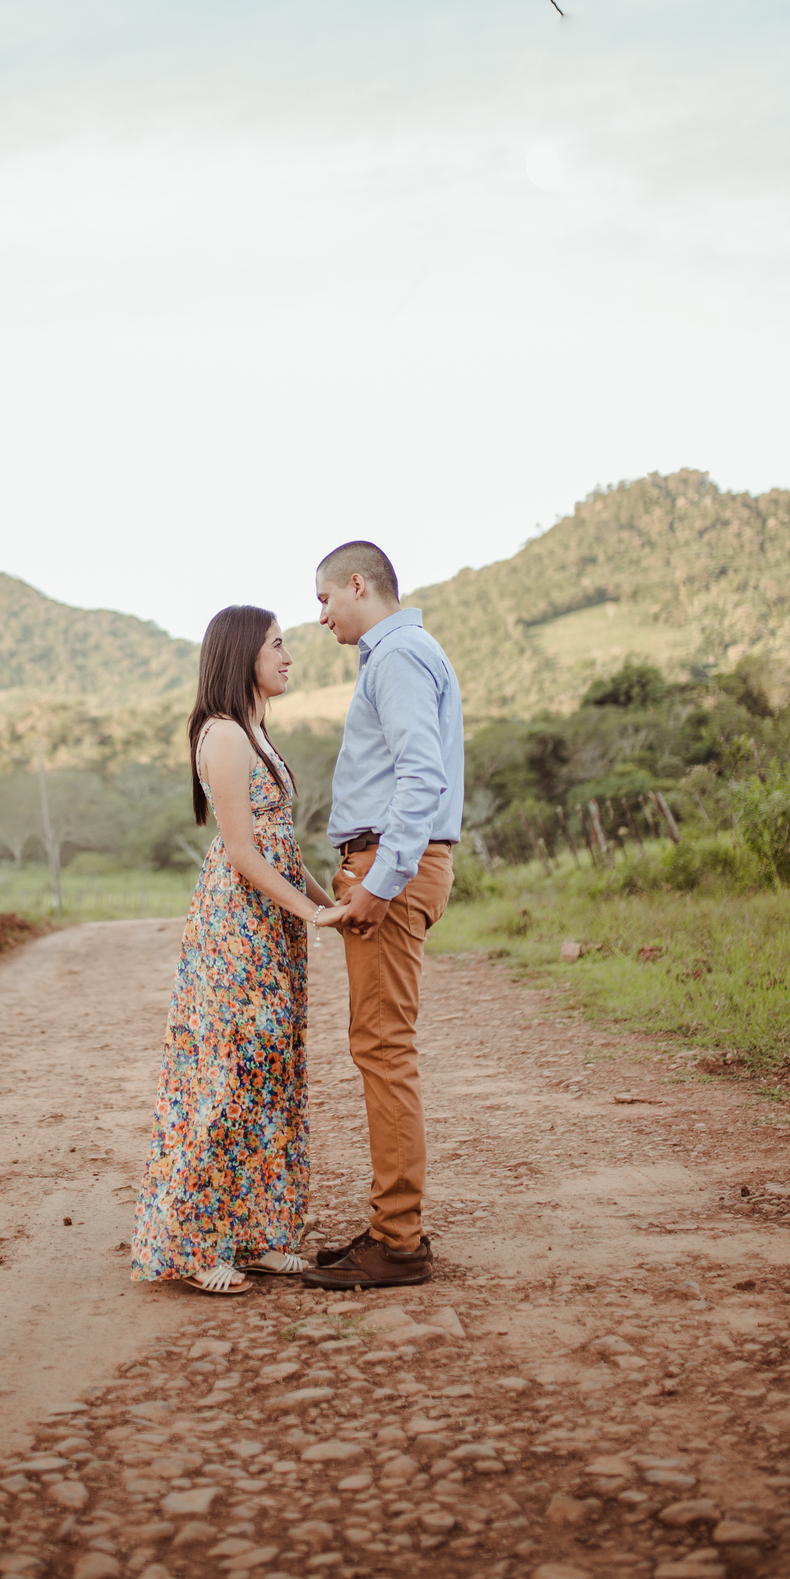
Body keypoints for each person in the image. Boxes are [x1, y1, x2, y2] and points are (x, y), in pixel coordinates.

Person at [131, 605, 348, 1296]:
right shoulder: (223, 736)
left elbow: (282, 845)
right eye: (278, 645)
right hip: (238, 927)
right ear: (242, 656)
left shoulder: (256, 729)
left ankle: (254, 1235)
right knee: (231, 1075)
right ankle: (193, 1244)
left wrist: (326, 902)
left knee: (267, 1077)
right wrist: (311, 910)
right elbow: (243, 853)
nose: (289, 656)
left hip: (271, 923)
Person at [301, 541, 464, 1291]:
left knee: (383, 1050)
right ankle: (388, 1227)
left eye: (325, 599)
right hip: (389, 864)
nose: (321, 616)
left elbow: (421, 772)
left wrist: (381, 880)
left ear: (357, 585)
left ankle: (398, 1242)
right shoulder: (402, 654)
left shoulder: (396, 657)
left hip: (391, 868)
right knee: (380, 1046)